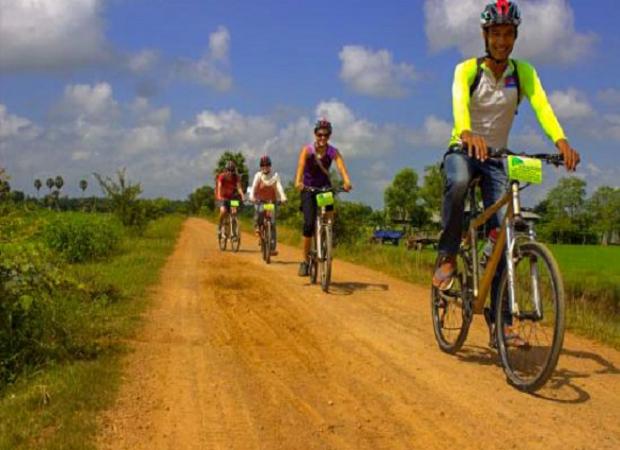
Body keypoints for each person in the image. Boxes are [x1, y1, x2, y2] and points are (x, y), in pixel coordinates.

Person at [432, 1, 580, 344]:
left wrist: (561, 141)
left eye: (508, 34)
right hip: (464, 148)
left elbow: (542, 104)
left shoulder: (523, 72)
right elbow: (458, 101)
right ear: (485, 36)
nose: (501, 41)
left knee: (505, 234)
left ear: (515, 37)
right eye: (495, 33)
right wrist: (467, 133)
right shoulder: (467, 70)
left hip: (499, 157)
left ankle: (502, 324)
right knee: (457, 182)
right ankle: (448, 255)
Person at [294, 119, 352, 276]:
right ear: (315, 134)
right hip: (308, 188)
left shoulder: (332, 151)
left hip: (324, 188)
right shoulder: (308, 150)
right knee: (307, 224)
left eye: (326, 135)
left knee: (328, 217)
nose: (322, 138)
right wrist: (298, 181)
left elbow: (341, 166)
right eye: (320, 134)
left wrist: (346, 181)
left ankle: (325, 236)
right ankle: (305, 261)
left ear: (329, 136)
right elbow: (300, 166)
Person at [249, 155, 287, 255]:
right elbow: (253, 187)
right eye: (263, 165)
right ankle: (258, 226)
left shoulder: (275, 175)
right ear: (260, 166)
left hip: (271, 201)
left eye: (267, 165)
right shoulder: (258, 175)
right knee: (259, 212)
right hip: (260, 200)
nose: (265, 167)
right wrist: (252, 196)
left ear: (270, 166)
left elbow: (279, 186)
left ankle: (272, 248)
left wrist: (283, 197)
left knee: (273, 223)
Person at [215, 160, 245, 235]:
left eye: (232, 170)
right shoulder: (222, 176)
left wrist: (242, 195)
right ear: (226, 170)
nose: (230, 172)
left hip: (232, 198)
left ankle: (234, 231)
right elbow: (219, 186)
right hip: (222, 197)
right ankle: (220, 226)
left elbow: (239, 187)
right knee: (223, 212)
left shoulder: (236, 177)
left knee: (234, 212)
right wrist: (219, 196)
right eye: (228, 170)